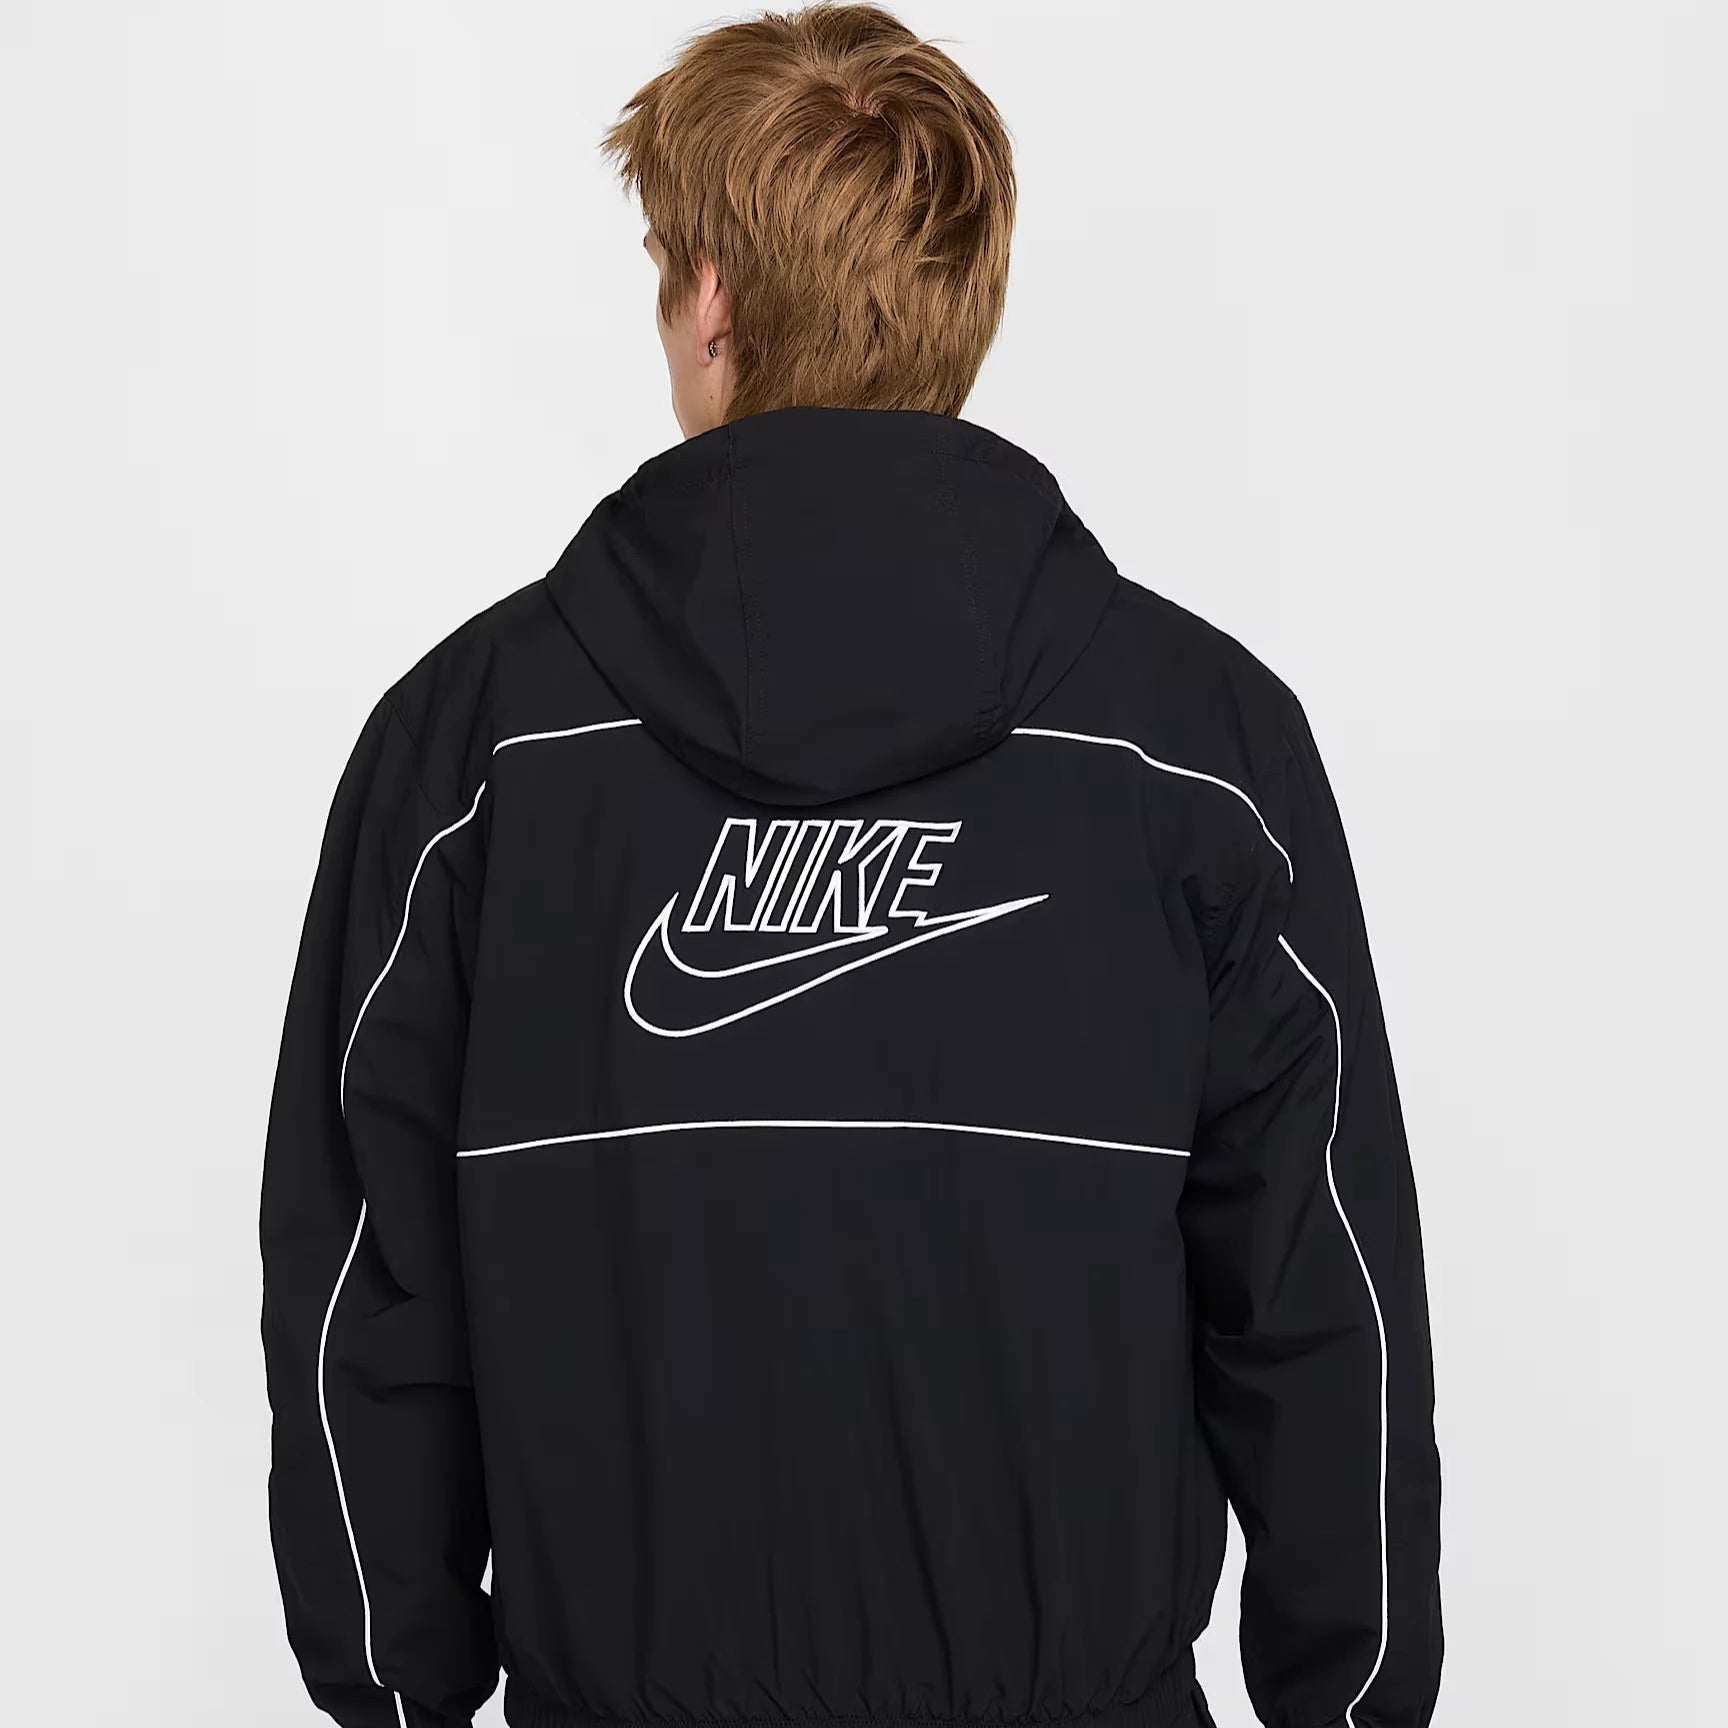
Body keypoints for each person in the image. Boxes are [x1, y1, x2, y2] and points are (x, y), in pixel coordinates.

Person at [261, 7, 1442, 1727]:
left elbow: (363, 1299)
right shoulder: (1200, 752)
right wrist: (1356, 1703)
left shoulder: (474, 758)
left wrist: (398, 1696)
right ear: (966, 302)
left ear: (712, 299)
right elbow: (1327, 1303)